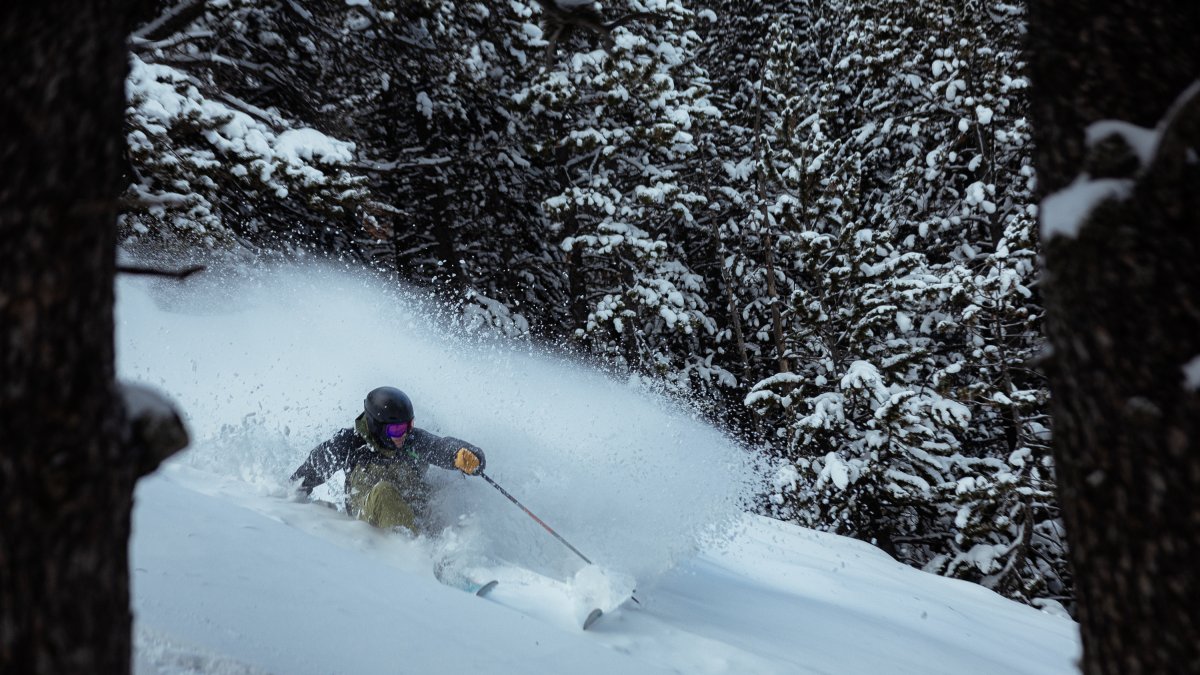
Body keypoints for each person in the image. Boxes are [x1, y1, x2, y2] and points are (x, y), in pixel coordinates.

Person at [290, 386, 486, 534]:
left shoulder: (411, 440)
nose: (404, 434)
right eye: (396, 429)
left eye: (409, 425)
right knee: (385, 492)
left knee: (445, 489)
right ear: (377, 425)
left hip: (413, 511)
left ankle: (452, 554)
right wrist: (287, 499)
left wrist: (464, 454)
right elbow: (309, 471)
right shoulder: (348, 443)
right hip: (369, 517)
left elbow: (439, 446)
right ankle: (418, 560)